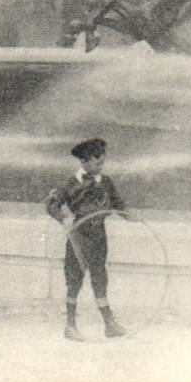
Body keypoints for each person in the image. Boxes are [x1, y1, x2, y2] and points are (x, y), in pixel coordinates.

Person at [44, 138, 132, 341]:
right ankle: (70, 326)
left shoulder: (106, 182)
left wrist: (128, 215)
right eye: (97, 163)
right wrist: (63, 218)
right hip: (78, 235)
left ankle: (109, 325)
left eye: (102, 162)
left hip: (99, 235)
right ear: (85, 162)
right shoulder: (72, 183)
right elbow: (51, 204)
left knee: (100, 276)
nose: (102, 167)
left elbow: (117, 203)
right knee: (74, 279)